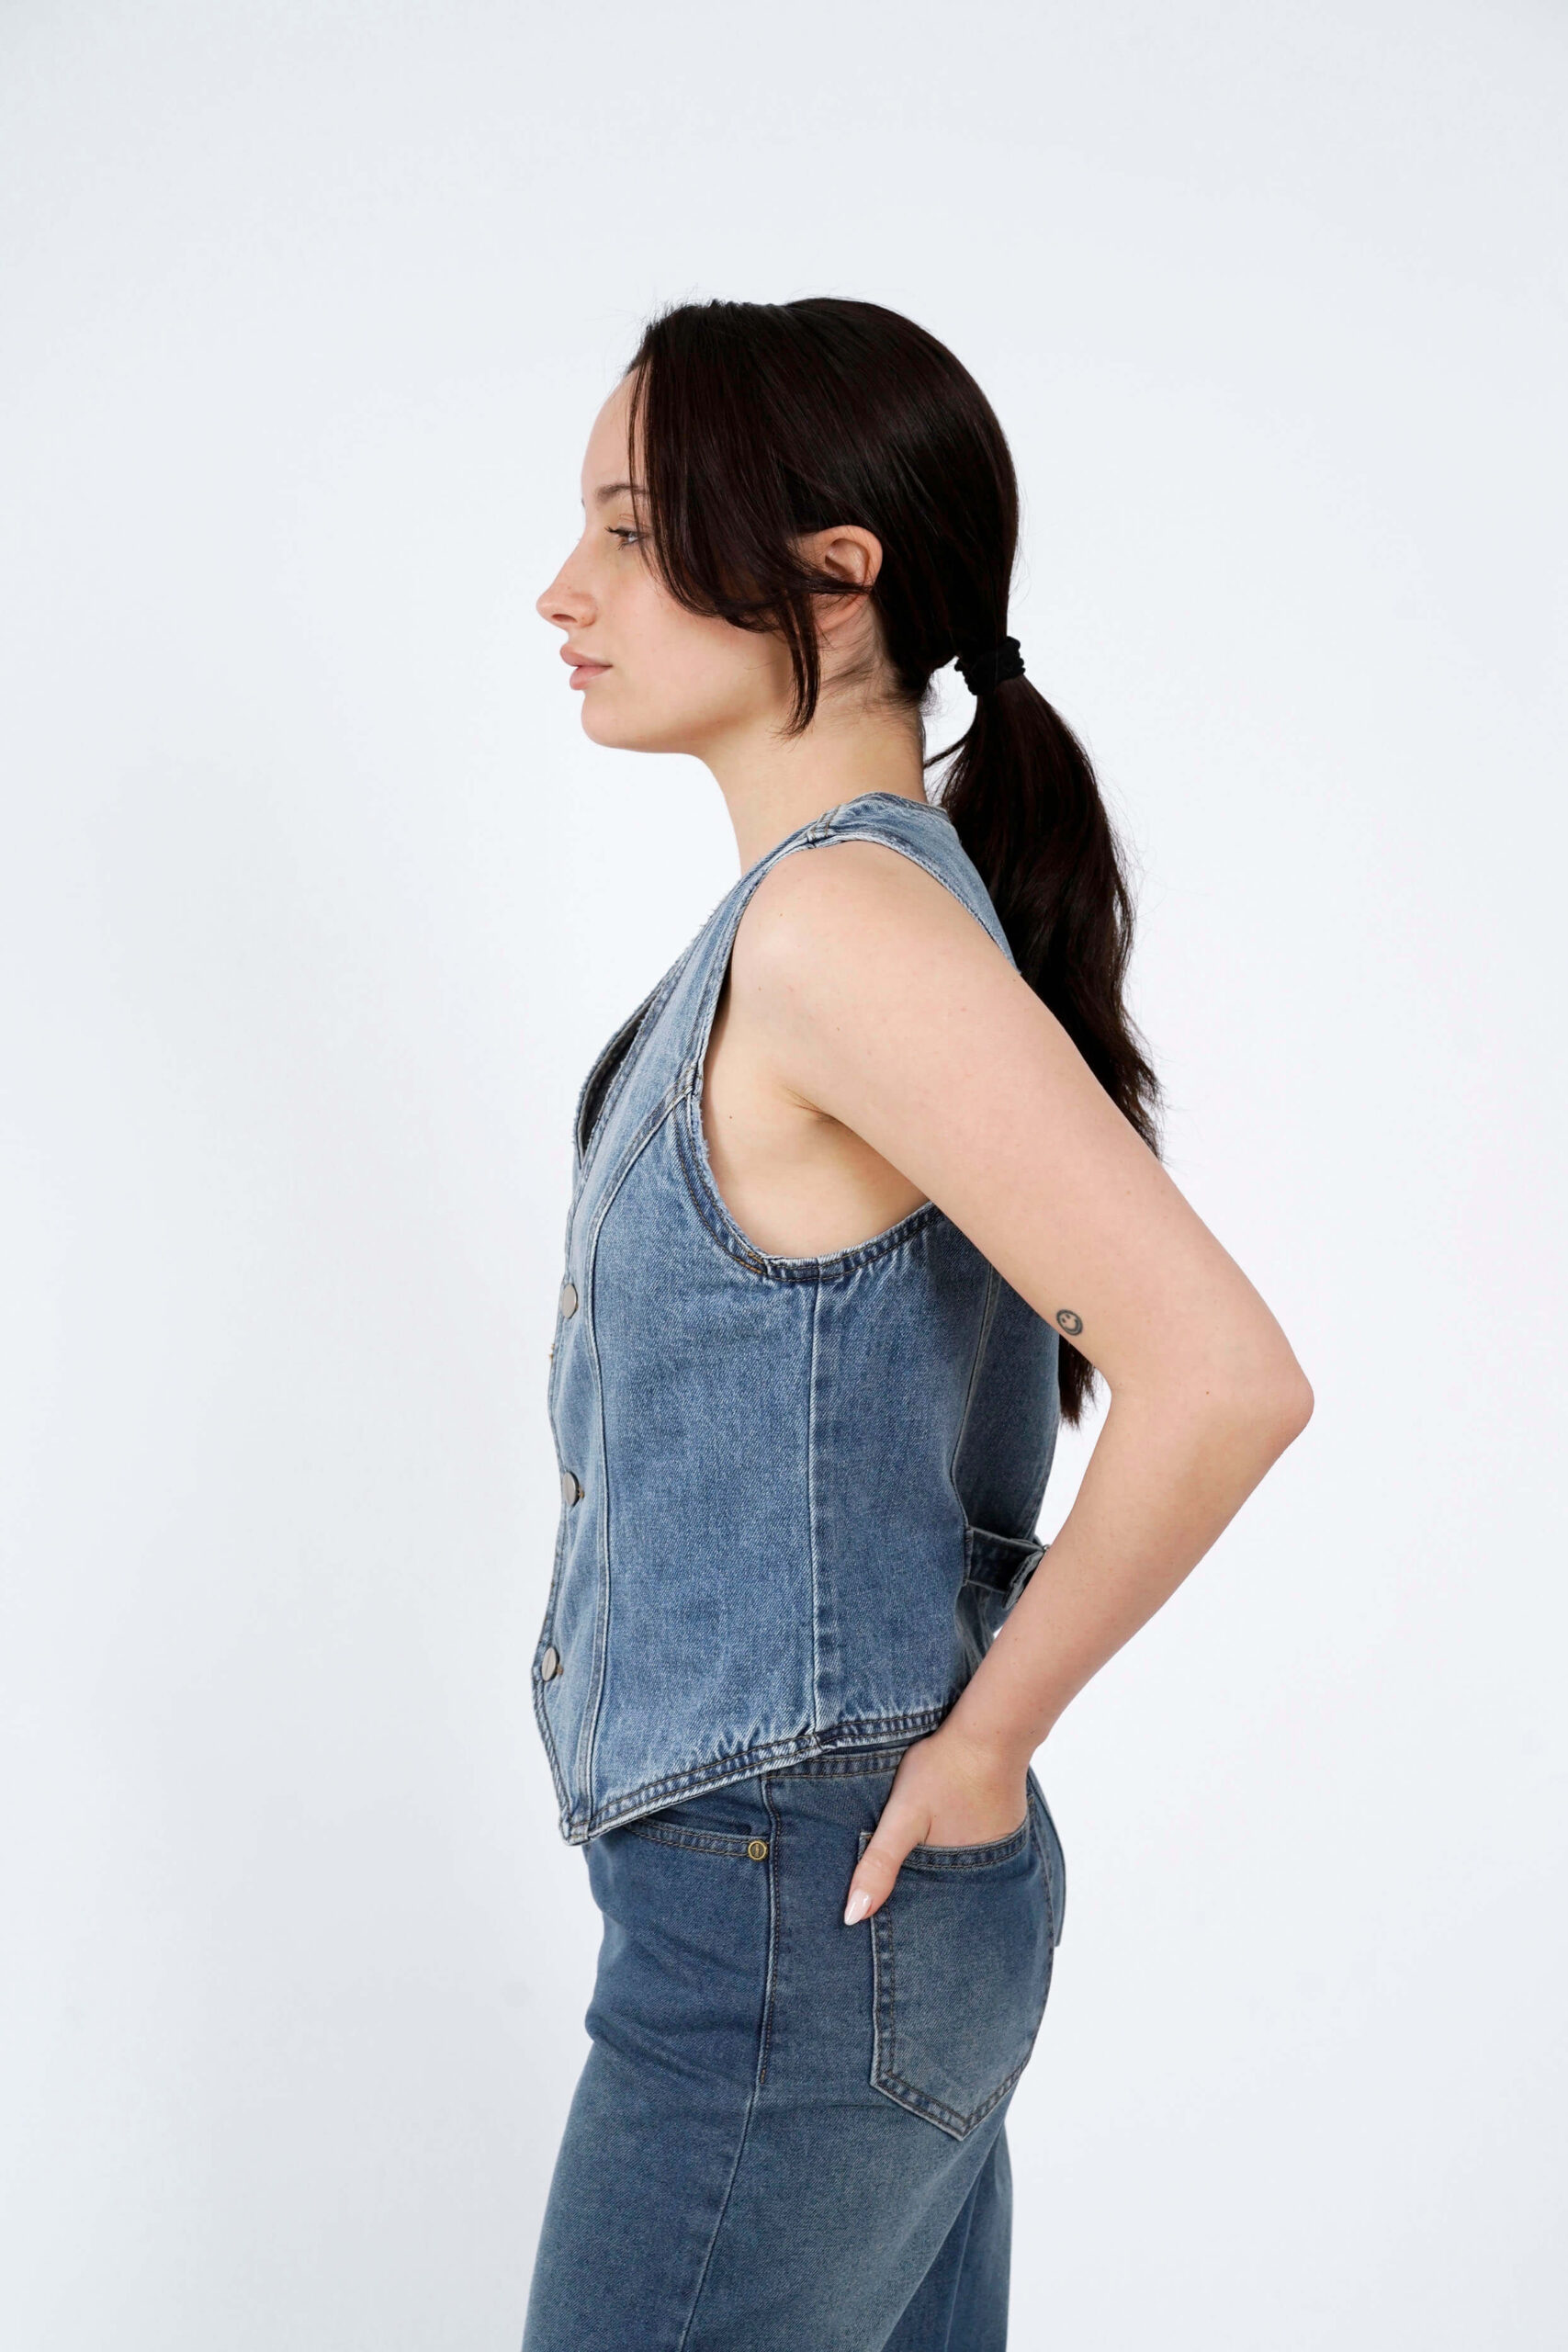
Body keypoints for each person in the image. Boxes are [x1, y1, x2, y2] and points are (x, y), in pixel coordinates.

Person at [521, 297, 1313, 2352]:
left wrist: (987, 1746)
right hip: (814, 1906)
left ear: (835, 573)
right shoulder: (840, 915)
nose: (564, 590)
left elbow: (1221, 1377)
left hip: (798, 1910)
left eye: (629, 530)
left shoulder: (838, 929)